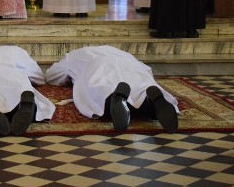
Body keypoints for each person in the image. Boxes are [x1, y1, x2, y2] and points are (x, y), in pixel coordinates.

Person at [45, 46, 179, 133]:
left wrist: (68, 78)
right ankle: (152, 102)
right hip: (130, 65)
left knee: (99, 90)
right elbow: (147, 71)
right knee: (141, 85)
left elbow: (51, 76)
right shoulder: (125, 53)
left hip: (96, 65)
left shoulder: (75, 55)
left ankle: (114, 99)